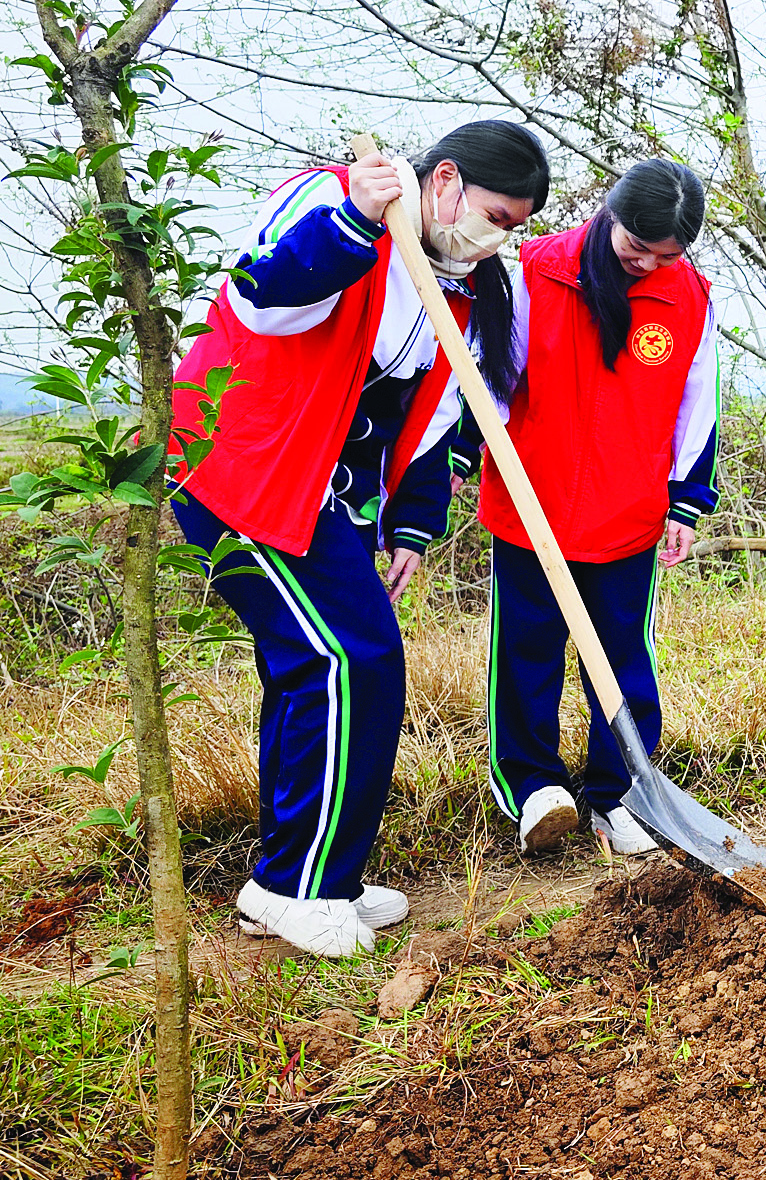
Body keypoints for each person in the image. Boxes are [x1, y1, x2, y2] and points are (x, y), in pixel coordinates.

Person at [169, 122, 550, 958]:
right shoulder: (335, 198)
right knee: (354, 658)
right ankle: (305, 884)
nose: (500, 235)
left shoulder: (467, 286)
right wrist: (358, 223)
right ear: (442, 180)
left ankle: (295, 874)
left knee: (311, 666)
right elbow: (259, 298)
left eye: (516, 225)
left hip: (323, 499)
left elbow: (434, 416)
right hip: (244, 469)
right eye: (495, 213)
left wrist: (411, 521)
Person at [472, 158, 719, 857]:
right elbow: (491, 377)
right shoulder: (536, 272)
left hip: (629, 510)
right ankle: (531, 788)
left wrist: (686, 500)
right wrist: (474, 452)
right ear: (611, 215)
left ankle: (620, 792)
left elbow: (697, 408)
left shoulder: (689, 297)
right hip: (531, 504)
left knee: (621, 653)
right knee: (526, 649)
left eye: (666, 255)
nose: (648, 264)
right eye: (637, 247)